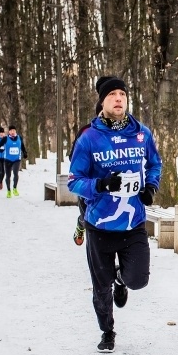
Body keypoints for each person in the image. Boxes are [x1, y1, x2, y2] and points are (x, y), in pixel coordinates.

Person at [68, 76, 162, 353]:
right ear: (102, 101)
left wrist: (151, 187)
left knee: (139, 280)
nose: (119, 98)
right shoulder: (89, 138)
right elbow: (74, 180)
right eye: (112, 95)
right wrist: (101, 185)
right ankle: (107, 331)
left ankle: (122, 280)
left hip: (133, 222)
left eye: (122, 94)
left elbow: (155, 164)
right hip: (99, 223)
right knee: (101, 286)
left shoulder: (141, 133)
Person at [70, 99, 104, 246]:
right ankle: (81, 222)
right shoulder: (86, 132)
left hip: (114, 188)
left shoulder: (124, 133)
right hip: (89, 185)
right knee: (89, 219)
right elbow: (73, 157)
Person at [0, 125, 28, 197]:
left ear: (15, 131)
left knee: (16, 173)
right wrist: (0, 150)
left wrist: (25, 153)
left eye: (14, 130)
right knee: (8, 175)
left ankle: (15, 188)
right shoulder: (5, 138)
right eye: (11, 131)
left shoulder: (19, 137)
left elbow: (22, 146)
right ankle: (9, 191)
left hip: (17, 159)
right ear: (9, 132)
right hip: (8, 160)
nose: (12, 132)